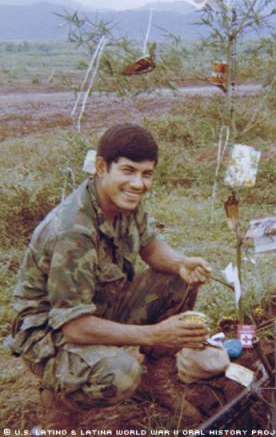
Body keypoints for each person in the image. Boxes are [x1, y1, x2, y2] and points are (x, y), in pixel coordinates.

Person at [8, 123, 212, 429]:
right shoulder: (73, 232)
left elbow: (150, 247)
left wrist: (181, 263)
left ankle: (156, 379)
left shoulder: (123, 201)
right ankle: (59, 399)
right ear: (101, 168)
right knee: (121, 374)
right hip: (51, 332)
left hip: (99, 304)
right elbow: (74, 327)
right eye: (128, 171)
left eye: (147, 174)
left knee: (178, 279)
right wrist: (156, 334)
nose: (138, 184)